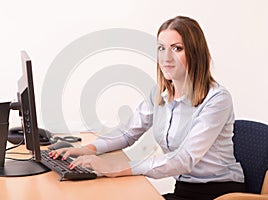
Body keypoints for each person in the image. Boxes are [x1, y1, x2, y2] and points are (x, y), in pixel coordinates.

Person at [49, 16, 245, 199]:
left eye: (177, 49)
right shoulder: (160, 94)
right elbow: (127, 133)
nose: (166, 58)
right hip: (184, 189)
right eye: (161, 48)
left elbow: (185, 158)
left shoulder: (217, 99)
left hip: (219, 192)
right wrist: (88, 149)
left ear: (195, 53)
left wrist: (116, 168)